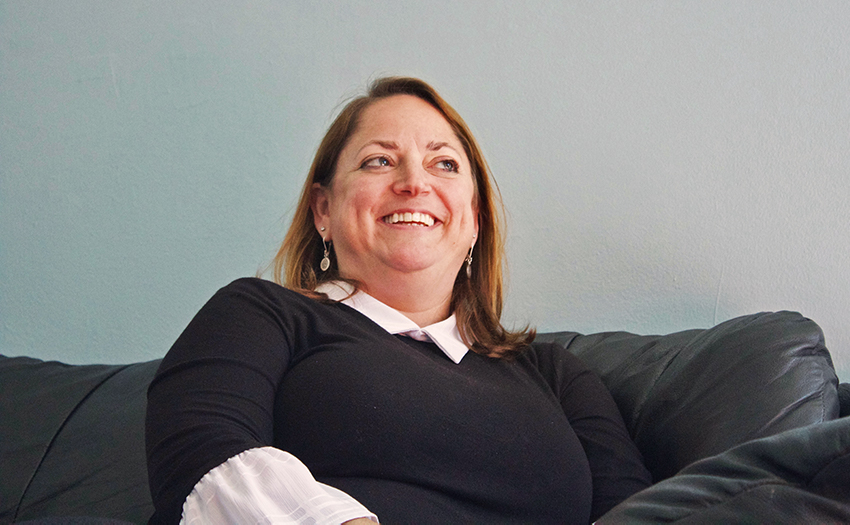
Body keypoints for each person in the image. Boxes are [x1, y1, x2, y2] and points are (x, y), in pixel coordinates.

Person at [145, 76, 652, 524]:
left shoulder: (555, 374)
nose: (414, 184)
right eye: (379, 161)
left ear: (473, 218)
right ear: (324, 209)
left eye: (444, 164)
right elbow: (203, 455)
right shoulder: (263, 314)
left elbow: (640, 512)